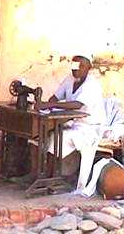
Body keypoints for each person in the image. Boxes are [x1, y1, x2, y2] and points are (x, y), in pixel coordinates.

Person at [30, 53, 107, 191]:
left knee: (56, 137)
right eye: (74, 65)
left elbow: (77, 104)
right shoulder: (69, 79)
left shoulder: (92, 84)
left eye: (80, 66)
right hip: (73, 122)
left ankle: (50, 178)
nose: (76, 69)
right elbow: (56, 96)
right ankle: (38, 175)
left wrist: (48, 106)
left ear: (89, 67)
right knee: (39, 136)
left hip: (89, 128)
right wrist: (46, 104)